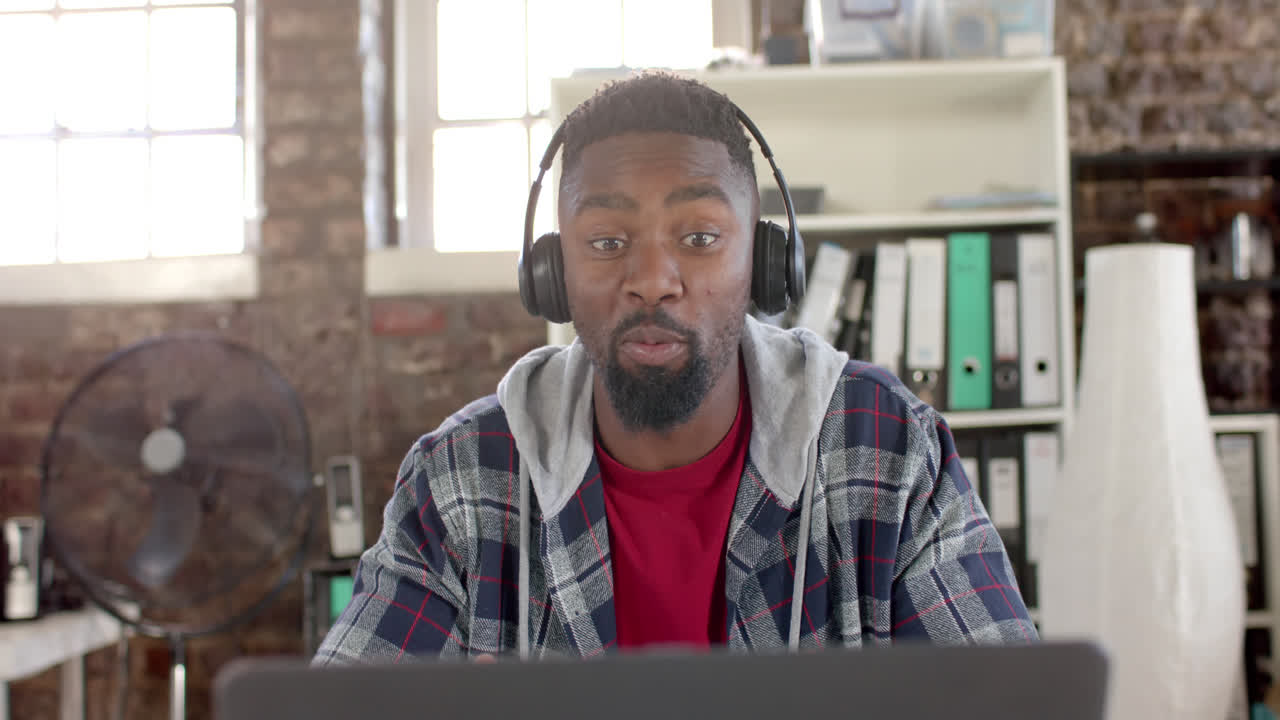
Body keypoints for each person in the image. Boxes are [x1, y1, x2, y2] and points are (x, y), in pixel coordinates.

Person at [313, 72, 1036, 664]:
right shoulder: (463, 479)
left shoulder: (885, 449)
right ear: (551, 272)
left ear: (765, 261)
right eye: (605, 241)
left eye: (698, 236)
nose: (652, 278)